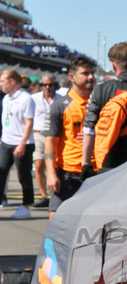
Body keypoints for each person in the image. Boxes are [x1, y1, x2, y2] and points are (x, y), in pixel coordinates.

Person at [43, 57, 96, 211]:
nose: (91, 77)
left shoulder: (101, 104)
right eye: (85, 73)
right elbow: (50, 142)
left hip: (95, 172)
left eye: (92, 73)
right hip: (68, 173)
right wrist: (52, 174)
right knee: (56, 220)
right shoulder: (59, 106)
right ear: (72, 77)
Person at [82, 41, 127, 176]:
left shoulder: (100, 89)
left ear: (113, 65)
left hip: (108, 163)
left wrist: (86, 163)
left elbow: (89, 128)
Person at [0, 69, 35, 219]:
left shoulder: (26, 99)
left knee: (23, 175)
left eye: (2, 81)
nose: (0, 84)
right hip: (6, 141)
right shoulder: (6, 98)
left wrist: (22, 144)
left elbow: (29, 123)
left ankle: (26, 206)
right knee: (1, 173)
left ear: (12, 81)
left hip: (22, 143)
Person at [31, 75, 57, 207]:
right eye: (45, 85)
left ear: (54, 85)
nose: (47, 87)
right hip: (39, 135)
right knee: (39, 163)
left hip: (55, 136)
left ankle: (55, 194)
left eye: (50, 85)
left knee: (54, 165)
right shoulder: (34, 99)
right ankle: (43, 196)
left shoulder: (60, 99)